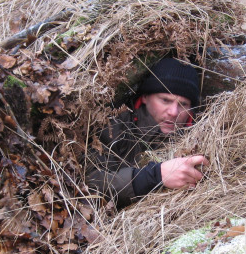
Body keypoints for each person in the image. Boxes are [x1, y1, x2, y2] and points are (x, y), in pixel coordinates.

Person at [86, 58, 210, 209]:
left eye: (183, 104)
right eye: (165, 100)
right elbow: (90, 183)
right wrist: (155, 176)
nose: (173, 112)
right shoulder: (113, 127)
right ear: (145, 97)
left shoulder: (207, 135)